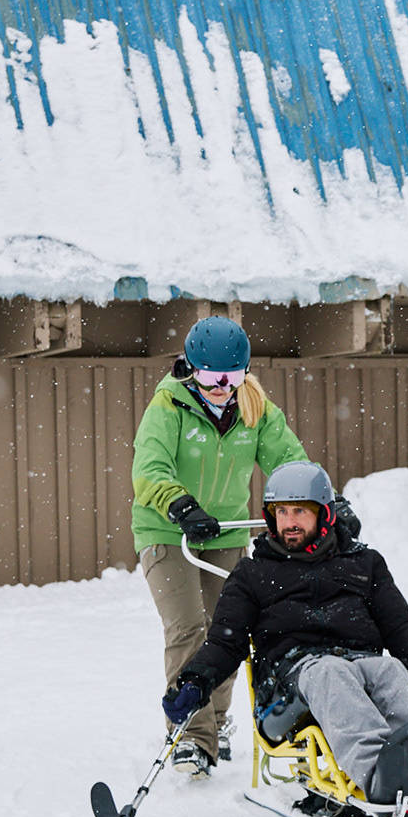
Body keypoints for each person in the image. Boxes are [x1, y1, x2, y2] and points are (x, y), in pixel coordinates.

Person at [158, 461, 408, 799]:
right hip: (285, 695)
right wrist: (195, 680)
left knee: (390, 669)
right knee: (329, 672)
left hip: (360, 665)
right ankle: (379, 775)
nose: (290, 522)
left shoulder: (364, 564)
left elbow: (400, 626)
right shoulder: (252, 574)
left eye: (300, 511)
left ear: (325, 515)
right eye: (281, 512)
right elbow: (226, 641)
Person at [131, 315, 308, 776]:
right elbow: (150, 470)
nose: (222, 387)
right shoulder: (167, 408)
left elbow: (289, 461)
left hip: (227, 531)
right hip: (168, 532)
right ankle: (191, 735)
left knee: (228, 632)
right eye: (211, 377)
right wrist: (181, 506)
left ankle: (216, 722)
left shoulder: (255, 409)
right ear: (190, 368)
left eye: (233, 376)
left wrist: (313, 500)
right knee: (188, 629)